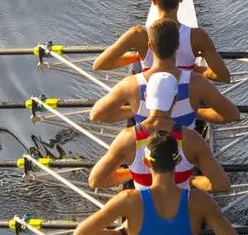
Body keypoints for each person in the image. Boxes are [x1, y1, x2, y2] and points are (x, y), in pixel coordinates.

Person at [73, 131, 243, 235]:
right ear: (178, 161)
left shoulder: (128, 200)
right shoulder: (200, 200)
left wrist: (120, 233)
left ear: (146, 162)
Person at [88, 71, 230, 193]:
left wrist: (133, 173)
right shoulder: (192, 139)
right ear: (175, 100)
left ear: (146, 96)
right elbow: (222, 184)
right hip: (181, 212)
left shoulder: (127, 138)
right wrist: (191, 180)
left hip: (143, 213)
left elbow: (95, 181)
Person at [88, 18, 240, 128]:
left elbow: (96, 115)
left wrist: (135, 109)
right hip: (185, 156)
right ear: (178, 45)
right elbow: (233, 115)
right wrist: (196, 111)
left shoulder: (131, 84)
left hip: (147, 158)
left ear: (150, 46)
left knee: (125, 138)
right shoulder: (197, 82)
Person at [92, 0, 230, 83]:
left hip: (150, 108)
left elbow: (99, 64)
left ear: (154, 1)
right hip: (185, 105)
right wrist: (197, 70)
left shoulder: (138, 34)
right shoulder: (198, 36)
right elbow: (223, 77)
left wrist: (135, 57)